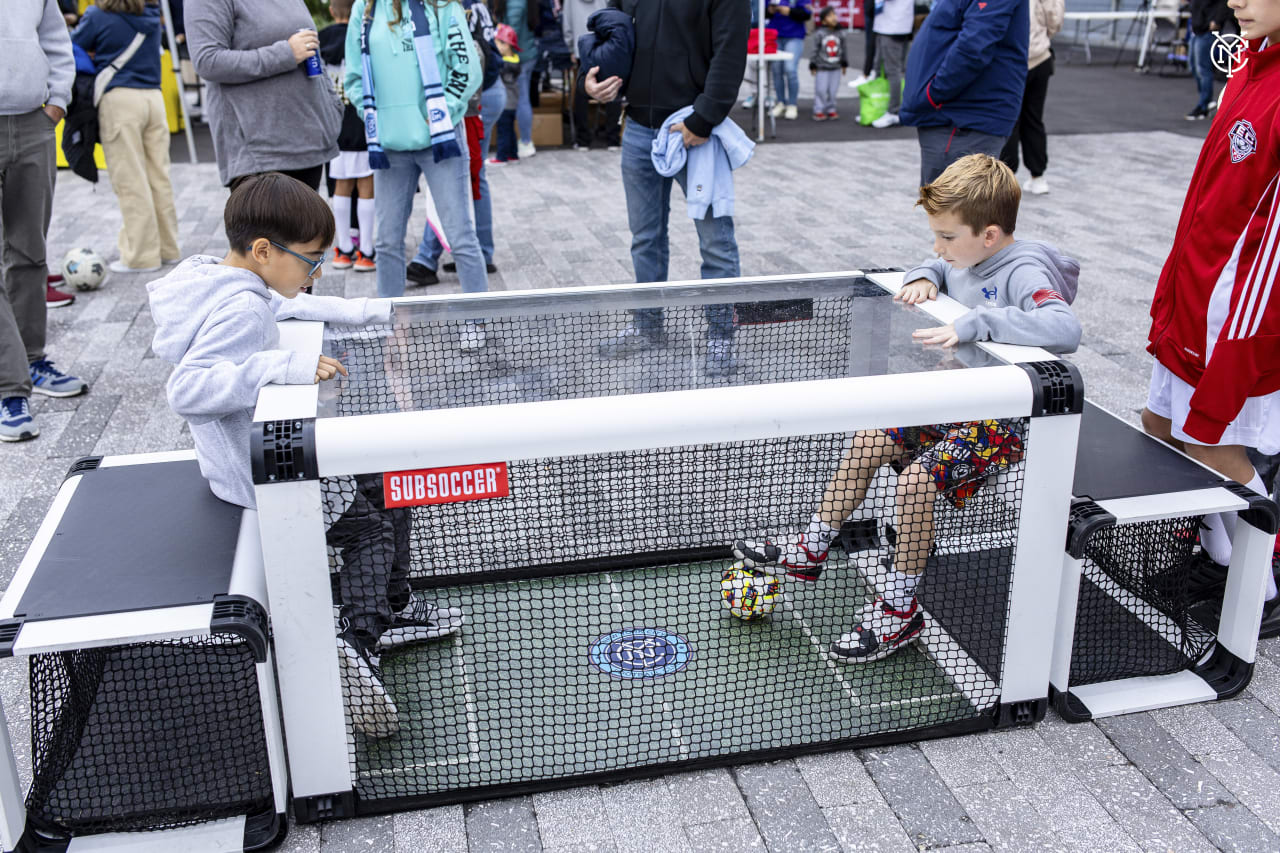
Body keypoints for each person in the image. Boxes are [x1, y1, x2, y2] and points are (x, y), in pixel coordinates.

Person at [146, 173, 464, 738]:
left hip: (273, 448)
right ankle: (357, 642)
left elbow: (285, 307)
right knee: (371, 532)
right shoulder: (239, 311)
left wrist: (374, 314)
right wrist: (281, 368)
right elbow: (186, 391)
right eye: (311, 260)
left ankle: (391, 607)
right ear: (265, 251)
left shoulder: (228, 280)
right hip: (263, 472)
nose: (316, 273)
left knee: (385, 476)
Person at [734, 155, 1081, 662]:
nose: (937, 247)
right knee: (870, 436)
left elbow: (1065, 328)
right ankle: (811, 548)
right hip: (956, 403)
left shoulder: (1024, 270)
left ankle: (900, 610)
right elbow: (939, 265)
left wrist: (976, 322)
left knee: (914, 481)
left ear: (988, 235)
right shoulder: (963, 254)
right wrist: (924, 273)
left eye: (945, 236)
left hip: (1001, 424)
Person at [1141, 0, 1280, 640]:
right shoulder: (1250, 62)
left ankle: (1266, 580)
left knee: (1209, 442)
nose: (1234, 1)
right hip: (1196, 292)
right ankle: (1222, 558)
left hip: (1235, 315)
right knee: (1160, 427)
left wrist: (1242, 339)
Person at [583, 0, 749, 376]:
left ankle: (720, 338)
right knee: (645, 238)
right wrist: (589, 77)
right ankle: (647, 326)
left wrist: (703, 119)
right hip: (640, 128)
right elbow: (610, 31)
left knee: (716, 243)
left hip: (696, 131)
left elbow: (730, 50)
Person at [345, 0, 489, 345]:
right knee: (386, 239)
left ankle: (477, 321)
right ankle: (387, 319)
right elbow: (352, 77)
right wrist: (371, 111)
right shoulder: (363, 8)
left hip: (440, 140)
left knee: (460, 236)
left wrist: (445, 109)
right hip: (390, 146)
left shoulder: (443, 6)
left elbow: (468, 68)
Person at [1, 0, 88, 444]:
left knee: (29, 252)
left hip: (32, 126)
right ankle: (9, 388)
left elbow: (55, 40)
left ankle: (33, 360)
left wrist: (56, 102)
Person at [71, 0, 181, 274]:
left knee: (130, 180)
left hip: (120, 100)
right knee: (159, 177)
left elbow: (75, 45)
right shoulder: (152, 13)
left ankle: (141, 256)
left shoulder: (97, 15)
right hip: (154, 100)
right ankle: (168, 248)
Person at [185, 0, 343, 189]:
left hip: (309, 143)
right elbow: (208, 61)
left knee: (307, 219)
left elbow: (309, 45)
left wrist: (332, 107)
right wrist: (285, 53)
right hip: (261, 155)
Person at [408, 0, 504, 285]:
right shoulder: (476, 4)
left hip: (474, 98)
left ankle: (428, 257)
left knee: (454, 176)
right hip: (486, 90)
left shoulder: (453, 5)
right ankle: (480, 252)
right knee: (474, 175)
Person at [899, 0, 1028, 185]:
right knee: (948, 208)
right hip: (955, 114)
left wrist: (934, 93)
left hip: (962, 117)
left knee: (953, 209)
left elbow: (974, 47)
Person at [320, 0, 376, 272]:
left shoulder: (319, 41)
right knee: (367, 185)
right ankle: (366, 252)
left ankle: (343, 250)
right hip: (365, 120)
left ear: (331, 11)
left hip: (336, 124)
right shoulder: (364, 34)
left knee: (340, 186)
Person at [999, 0, 1063, 195]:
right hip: (1040, 56)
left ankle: (1007, 179)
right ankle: (1038, 176)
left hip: (1010, 60)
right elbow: (1055, 20)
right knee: (1034, 118)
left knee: (1010, 120)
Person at [564, 0, 622, 148]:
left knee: (582, 90)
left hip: (581, 45)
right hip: (606, 44)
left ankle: (583, 140)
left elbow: (567, 22)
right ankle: (613, 139)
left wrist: (571, 46)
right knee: (612, 85)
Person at [494, 0, 537, 157]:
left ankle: (526, 142)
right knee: (521, 98)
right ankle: (520, 143)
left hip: (518, 57)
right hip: (526, 53)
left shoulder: (515, 2)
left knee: (520, 98)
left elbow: (511, 31)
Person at [1187, 0, 1232, 120]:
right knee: (1194, 67)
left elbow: (1224, 3)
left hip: (1208, 30)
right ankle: (1205, 101)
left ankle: (1204, 105)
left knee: (1203, 69)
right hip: (1197, 29)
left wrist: (1217, 20)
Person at [869, 0, 911, 129]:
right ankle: (875, 109)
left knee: (893, 72)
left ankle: (894, 112)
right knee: (882, 68)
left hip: (893, 27)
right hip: (892, 25)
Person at [766, 0, 810, 121]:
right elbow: (762, 13)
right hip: (774, 34)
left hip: (794, 35)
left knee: (790, 69)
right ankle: (780, 102)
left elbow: (806, 14)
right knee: (776, 70)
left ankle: (792, 104)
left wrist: (789, 11)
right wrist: (769, 11)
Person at [490, 23, 523, 164]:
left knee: (503, 131)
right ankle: (513, 155)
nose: (495, 46)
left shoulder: (505, 65)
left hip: (505, 104)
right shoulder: (515, 61)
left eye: (497, 43)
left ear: (506, 45)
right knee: (510, 130)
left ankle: (501, 157)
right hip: (513, 103)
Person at [808, 7, 847, 121]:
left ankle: (831, 108)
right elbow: (814, 50)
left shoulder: (841, 33)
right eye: (829, 16)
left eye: (834, 14)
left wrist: (844, 63)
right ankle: (818, 109)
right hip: (822, 68)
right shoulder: (820, 34)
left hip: (836, 67)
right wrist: (813, 64)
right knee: (821, 89)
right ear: (824, 21)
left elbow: (843, 49)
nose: (834, 17)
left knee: (833, 90)